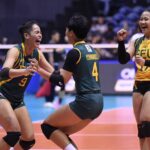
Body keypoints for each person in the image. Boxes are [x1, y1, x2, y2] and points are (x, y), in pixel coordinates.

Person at [38, 15, 103, 149]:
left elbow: (61, 81)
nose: (65, 33)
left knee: (47, 126)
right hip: (98, 101)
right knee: (60, 133)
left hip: (85, 102)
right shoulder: (92, 49)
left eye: (67, 30)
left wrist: (37, 69)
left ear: (72, 33)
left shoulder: (74, 52)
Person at [0, 20, 54, 150]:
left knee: (28, 140)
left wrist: (72, 73)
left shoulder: (37, 54)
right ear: (26, 36)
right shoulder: (15, 51)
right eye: (36, 32)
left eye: (40, 32)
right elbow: (4, 72)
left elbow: (55, 74)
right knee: (14, 134)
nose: (40, 35)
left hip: (17, 100)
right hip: (2, 95)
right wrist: (25, 71)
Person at [117, 10, 150, 150]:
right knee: (141, 129)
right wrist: (121, 42)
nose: (143, 22)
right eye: (141, 19)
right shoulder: (136, 41)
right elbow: (123, 59)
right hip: (138, 85)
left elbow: (144, 62)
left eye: (146, 19)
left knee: (146, 121)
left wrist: (146, 63)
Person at [44, 30, 65, 108]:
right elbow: (51, 57)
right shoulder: (50, 44)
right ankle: (49, 101)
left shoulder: (56, 44)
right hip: (52, 67)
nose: (58, 37)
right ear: (53, 36)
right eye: (57, 35)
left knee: (61, 84)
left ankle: (59, 100)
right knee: (51, 85)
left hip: (57, 67)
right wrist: (52, 69)